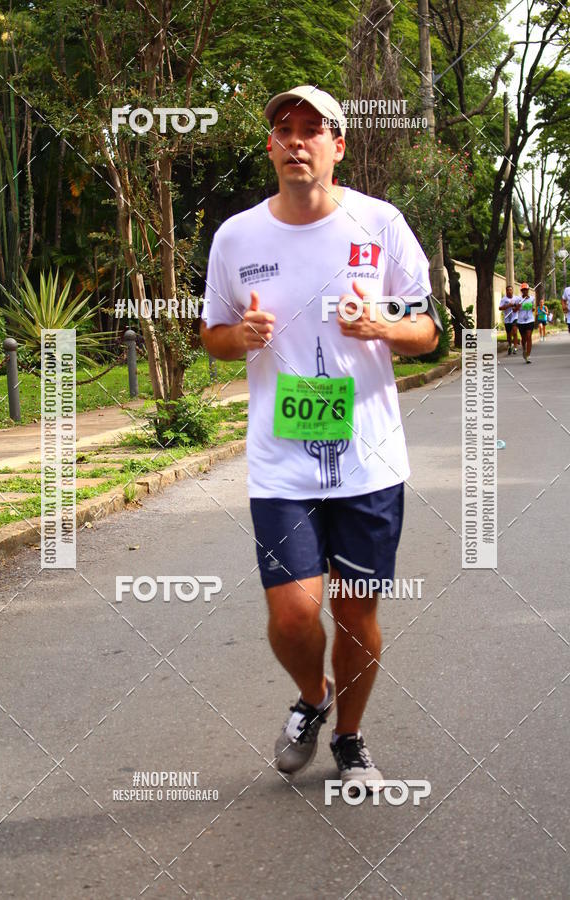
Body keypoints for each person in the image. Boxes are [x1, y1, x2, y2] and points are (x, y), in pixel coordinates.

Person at [200, 85, 441, 788]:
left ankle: (352, 738)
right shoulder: (237, 237)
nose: (297, 140)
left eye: (313, 130)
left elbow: (427, 331)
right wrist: (237, 338)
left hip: (369, 460)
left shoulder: (380, 225)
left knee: (356, 612)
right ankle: (313, 697)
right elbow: (211, 335)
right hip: (282, 465)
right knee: (293, 614)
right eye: (285, 130)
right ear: (271, 146)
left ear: (338, 145)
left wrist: (383, 327)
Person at [516, 282, 535, 363]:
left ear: (528, 290)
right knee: (524, 339)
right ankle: (524, 348)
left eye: (526, 290)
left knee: (529, 336)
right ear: (521, 291)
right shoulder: (518, 299)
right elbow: (514, 310)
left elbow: (533, 307)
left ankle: (528, 355)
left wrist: (533, 308)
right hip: (521, 321)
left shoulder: (532, 298)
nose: (525, 291)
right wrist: (518, 306)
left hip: (530, 320)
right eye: (523, 290)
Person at [499, 285, 519, 355]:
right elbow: (500, 308)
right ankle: (510, 346)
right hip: (507, 318)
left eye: (510, 290)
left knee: (515, 332)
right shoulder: (504, 299)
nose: (509, 291)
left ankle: (515, 347)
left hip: (514, 317)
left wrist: (516, 307)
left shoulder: (516, 298)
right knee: (509, 334)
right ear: (506, 291)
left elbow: (519, 306)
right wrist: (508, 305)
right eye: (508, 290)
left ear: (512, 291)